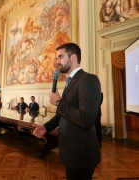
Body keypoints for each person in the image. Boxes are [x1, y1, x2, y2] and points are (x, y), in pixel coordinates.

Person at [32, 43, 101, 180]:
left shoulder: (88, 79)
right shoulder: (71, 81)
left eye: (60, 57)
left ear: (73, 57)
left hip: (81, 152)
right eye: (57, 58)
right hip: (70, 150)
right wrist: (46, 127)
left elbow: (86, 119)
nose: (57, 61)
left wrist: (58, 102)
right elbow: (63, 114)